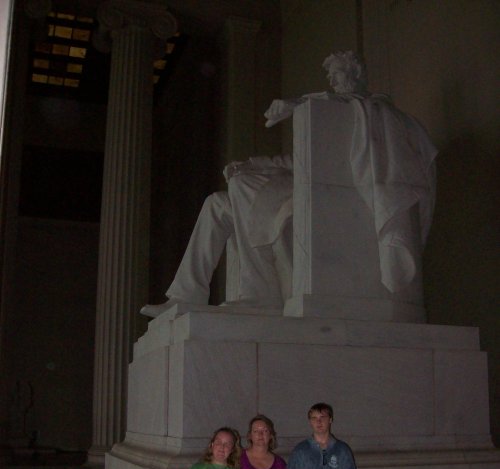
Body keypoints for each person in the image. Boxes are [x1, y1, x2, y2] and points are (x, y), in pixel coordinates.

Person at [141, 50, 436, 318]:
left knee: (243, 187)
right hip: (305, 186)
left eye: (338, 74)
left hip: (330, 196)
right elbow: (298, 162)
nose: (333, 81)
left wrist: (297, 103)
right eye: (330, 76)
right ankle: (185, 294)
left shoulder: (370, 112)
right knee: (216, 203)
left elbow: (338, 111)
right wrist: (254, 164)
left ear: (357, 75)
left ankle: (258, 293)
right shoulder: (335, 111)